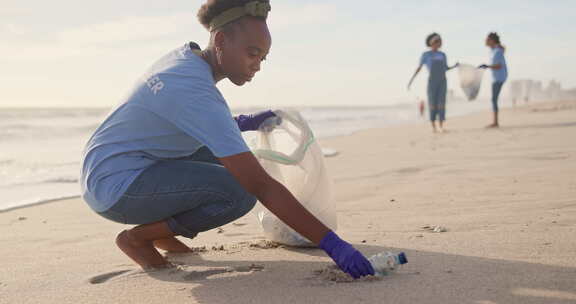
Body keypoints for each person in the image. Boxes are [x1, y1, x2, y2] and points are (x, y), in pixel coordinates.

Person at [80, 0, 374, 279]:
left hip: (110, 166)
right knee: (238, 191)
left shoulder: (185, 59)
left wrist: (243, 123)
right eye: (252, 52)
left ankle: (162, 233)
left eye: (263, 57)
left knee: (230, 156)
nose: (257, 64)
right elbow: (260, 185)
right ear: (220, 41)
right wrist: (332, 244)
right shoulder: (195, 91)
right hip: (115, 188)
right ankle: (139, 238)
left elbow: (187, 122)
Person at [408, 33, 458, 133]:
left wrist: (454, 66)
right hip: (432, 81)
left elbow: (446, 68)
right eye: (436, 42)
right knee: (432, 103)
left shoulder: (442, 55)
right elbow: (419, 67)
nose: (438, 44)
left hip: (442, 81)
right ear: (431, 43)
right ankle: (433, 126)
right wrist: (412, 79)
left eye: (439, 42)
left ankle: (441, 125)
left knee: (441, 103)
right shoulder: (426, 55)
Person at [478, 32, 508, 128]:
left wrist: (487, 66)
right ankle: (495, 121)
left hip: (499, 78)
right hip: (496, 77)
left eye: (487, 39)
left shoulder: (497, 51)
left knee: (494, 99)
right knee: (494, 99)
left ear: (492, 40)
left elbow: (499, 65)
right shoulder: (493, 50)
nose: (485, 41)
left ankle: (495, 122)